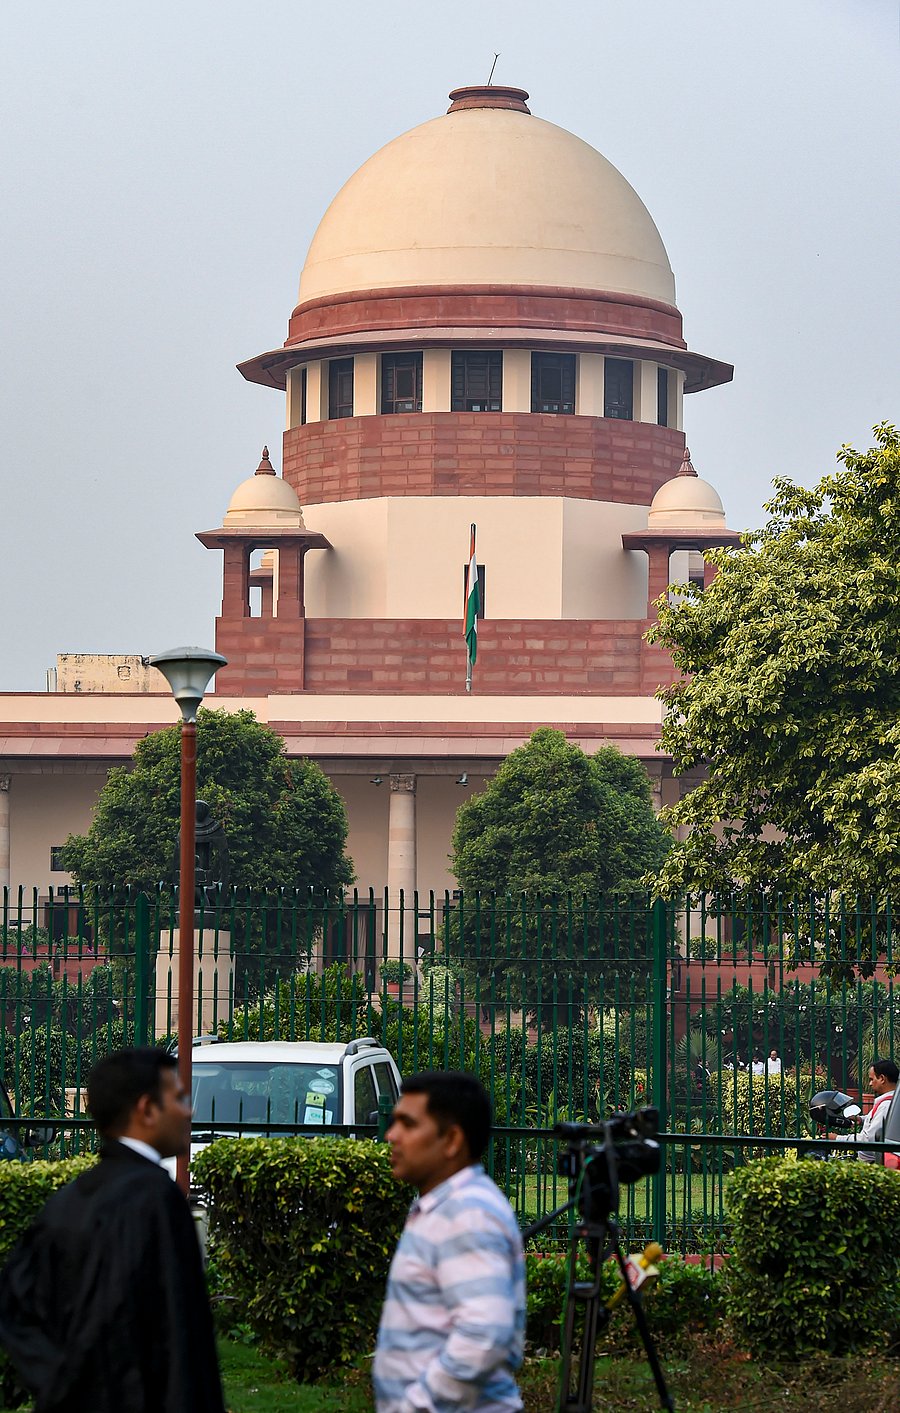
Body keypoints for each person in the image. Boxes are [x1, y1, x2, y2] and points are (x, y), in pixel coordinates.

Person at [0, 1047, 225, 1413]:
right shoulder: (155, 1200)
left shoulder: (69, 1200)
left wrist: (60, 1385)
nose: (190, 1110)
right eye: (179, 1098)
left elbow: (16, 1305)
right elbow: (179, 1334)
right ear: (146, 1110)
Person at [374, 1070, 525, 1413]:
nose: (391, 1135)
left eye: (408, 1125)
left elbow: (483, 1334)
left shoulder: (467, 1213)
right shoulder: (443, 1206)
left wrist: (417, 1405)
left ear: (452, 1140)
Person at [833, 1058, 898, 1163]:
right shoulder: (893, 1101)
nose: (870, 1084)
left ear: (882, 1078)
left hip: (874, 1164)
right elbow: (882, 1122)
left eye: (872, 1079)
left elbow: (868, 1140)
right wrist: (861, 1119)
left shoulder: (886, 1105)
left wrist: (837, 1138)